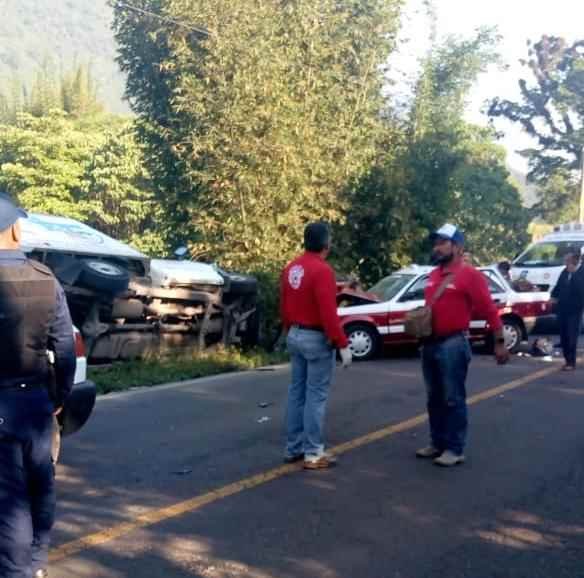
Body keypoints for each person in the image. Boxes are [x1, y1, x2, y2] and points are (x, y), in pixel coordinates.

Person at [0, 194, 76, 578]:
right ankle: (36, 563)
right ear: (14, 229)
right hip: (37, 403)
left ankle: (16, 571)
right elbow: (64, 348)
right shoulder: (47, 279)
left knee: (10, 500)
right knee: (41, 484)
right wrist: (59, 397)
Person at [416, 224, 509, 467]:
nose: (436, 247)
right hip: (429, 343)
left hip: (453, 344)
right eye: (435, 243)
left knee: (453, 398)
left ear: (457, 247)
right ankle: (437, 443)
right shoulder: (433, 275)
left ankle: (455, 449)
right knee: (434, 398)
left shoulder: (470, 275)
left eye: (442, 243)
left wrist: (499, 343)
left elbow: (489, 310)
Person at [280, 222, 352, 470]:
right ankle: (313, 453)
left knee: (296, 393)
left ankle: (293, 448)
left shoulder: (291, 267)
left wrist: (289, 330)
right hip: (315, 338)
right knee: (316, 396)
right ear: (326, 243)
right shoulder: (322, 270)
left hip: (295, 334)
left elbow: (284, 305)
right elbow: (328, 312)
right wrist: (342, 343)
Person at [550, 248, 584, 371]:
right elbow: (558, 286)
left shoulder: (581, 272)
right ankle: (566, 359)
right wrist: (553, 297)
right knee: (563, 335)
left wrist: (574, 274)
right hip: (562, 308)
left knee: (571, 336)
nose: (565, 263)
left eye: (567, 260)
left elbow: (581, 290)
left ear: (574, 260)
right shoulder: (564, 271)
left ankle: (571, 362)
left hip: (575, 309)